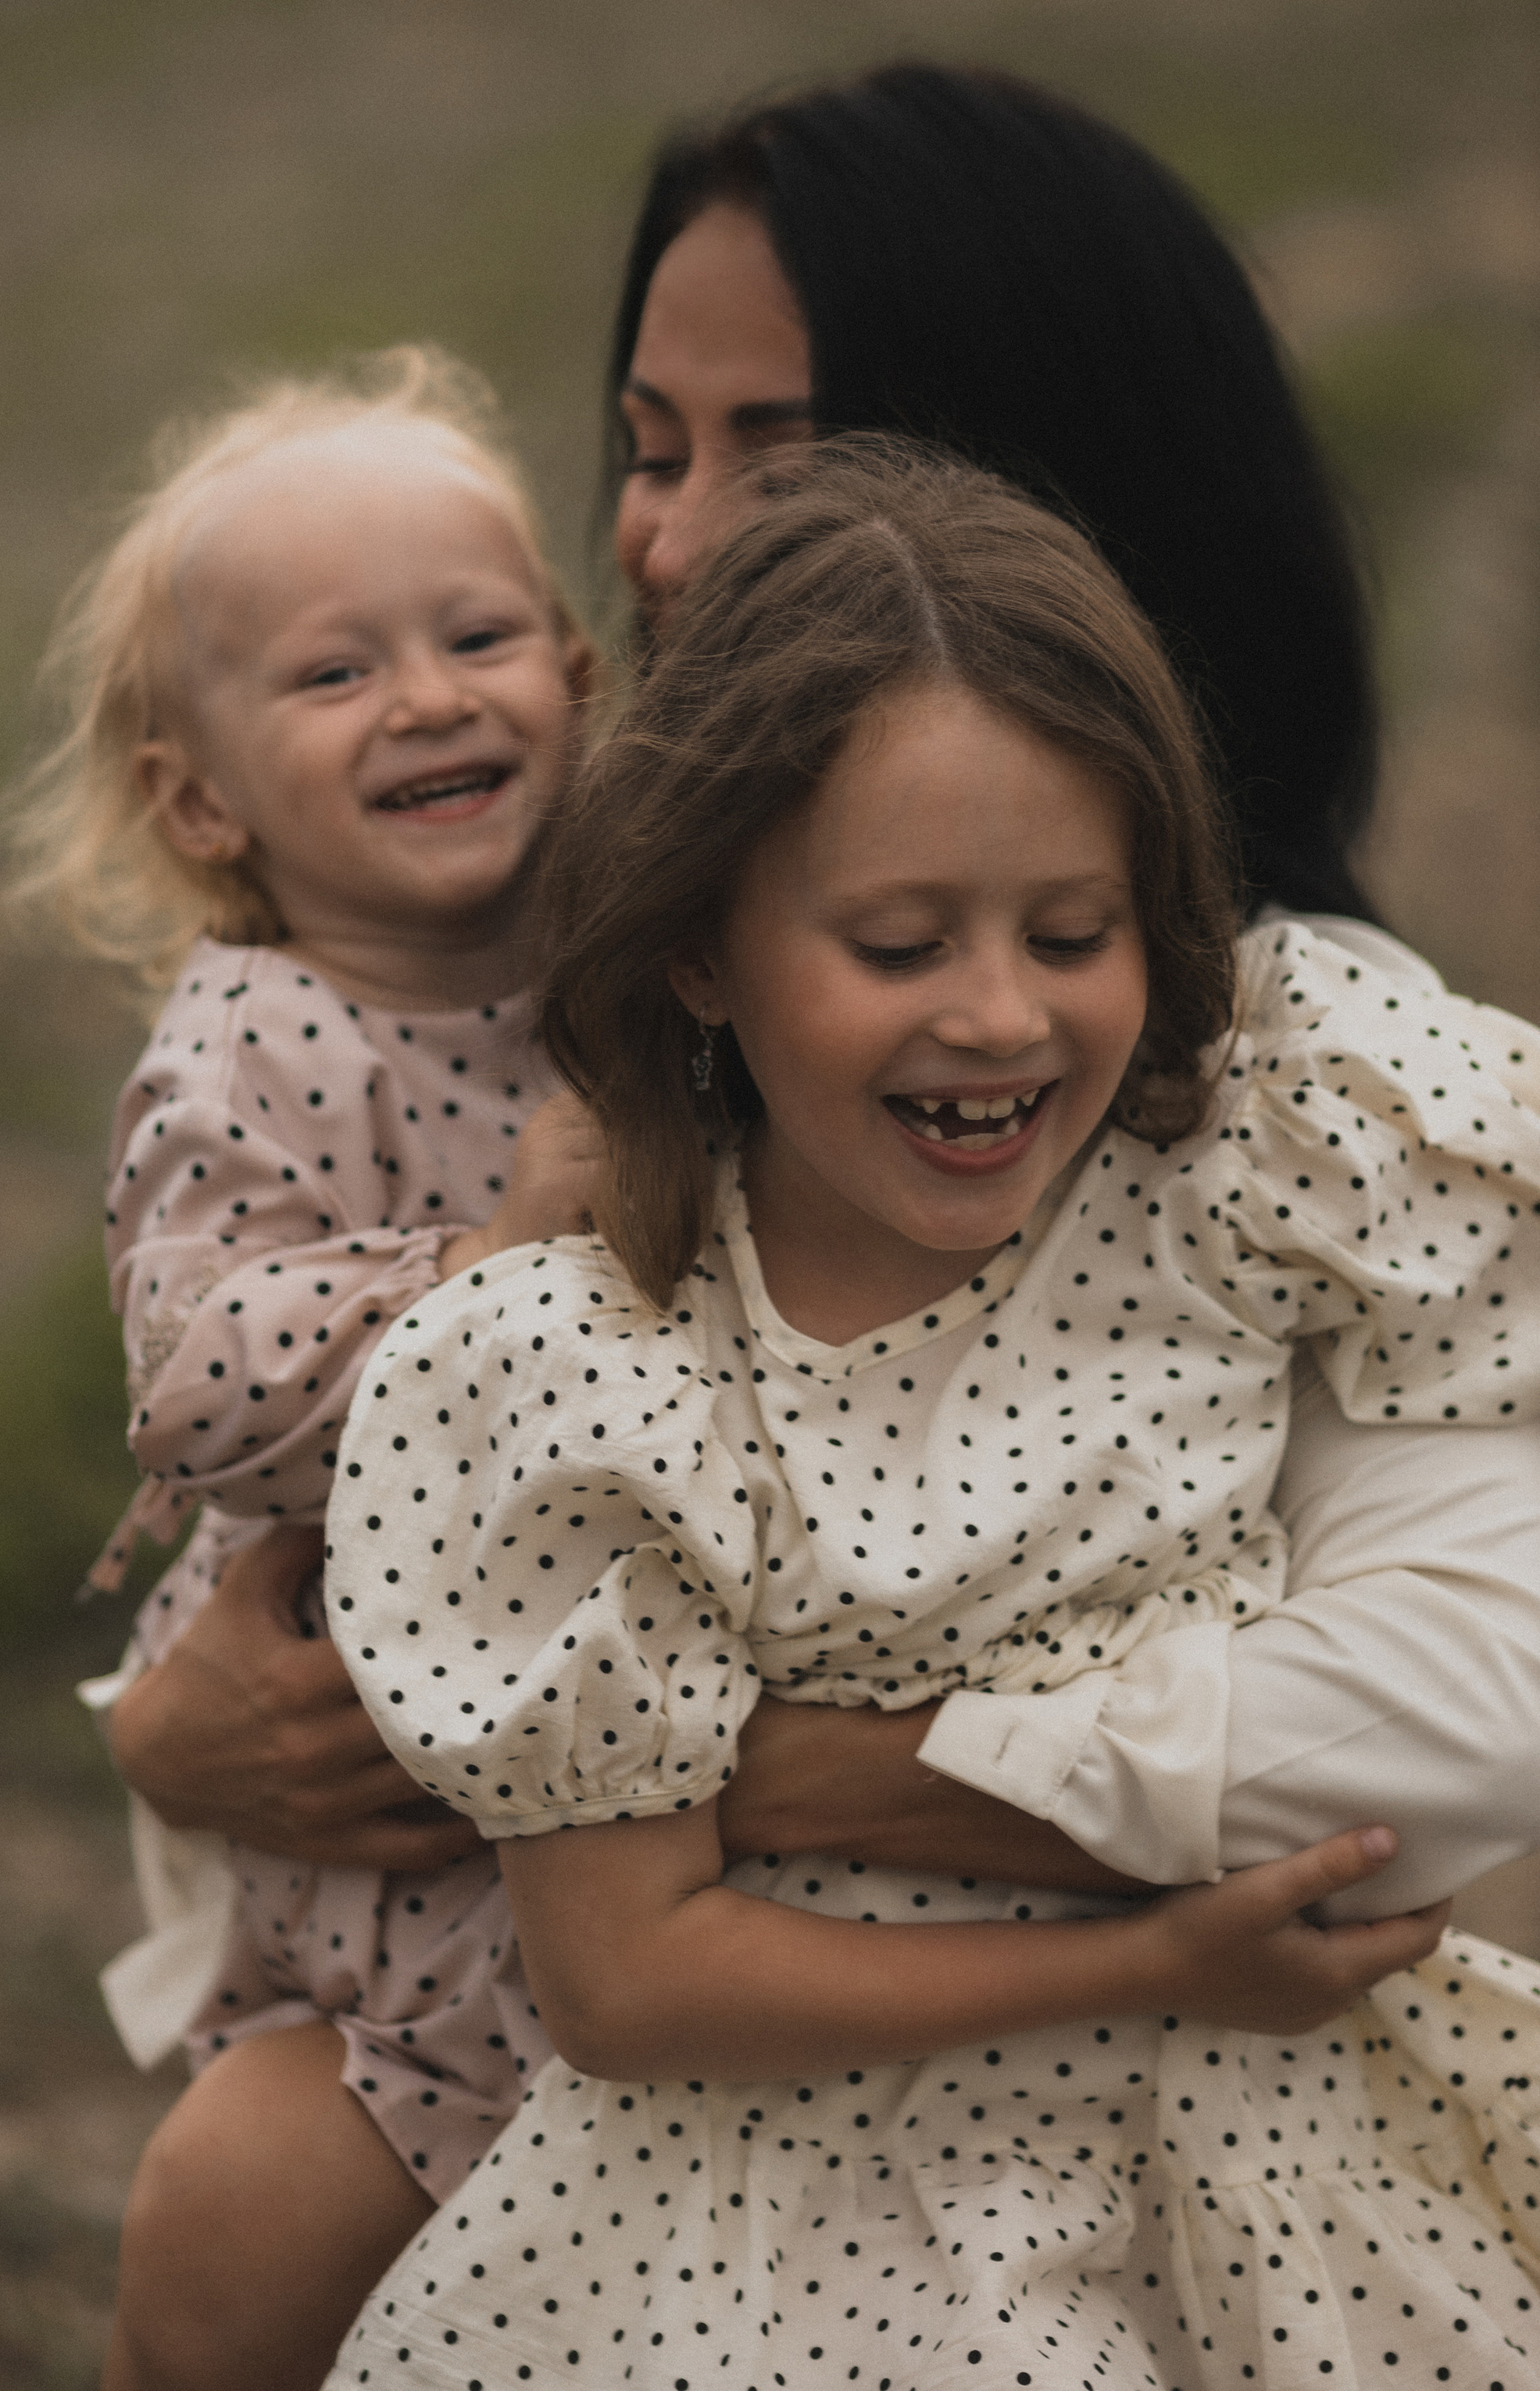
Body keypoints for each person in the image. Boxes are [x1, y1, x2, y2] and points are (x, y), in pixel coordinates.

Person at [116, 60, 1540, 1945]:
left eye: (782, 457)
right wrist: (159, 1729)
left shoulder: (1299, 1089)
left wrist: (729, 1769)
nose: (668, 546)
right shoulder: (645, 984)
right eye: (647, 448)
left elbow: (1455, 1722)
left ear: (1061, 486)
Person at [323, 447, 1540, 2391]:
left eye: (1072, 934)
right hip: (804, 2207)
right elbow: (628, 1981)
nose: (997, 1016)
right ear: (701, 949)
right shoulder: (583, 1375)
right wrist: (1143, 1959)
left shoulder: (1228, 1180)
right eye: (897, 947)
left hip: (1273, 2155)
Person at [7, 349, 604, 2391]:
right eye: (339, 676)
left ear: (581, 679)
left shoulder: (619, 963)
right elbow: (203, 1383)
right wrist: (497, 1261)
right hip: (375, 1779)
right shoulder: (254, 1044)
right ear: (205, 800)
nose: (432, 696)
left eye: (479, 635)